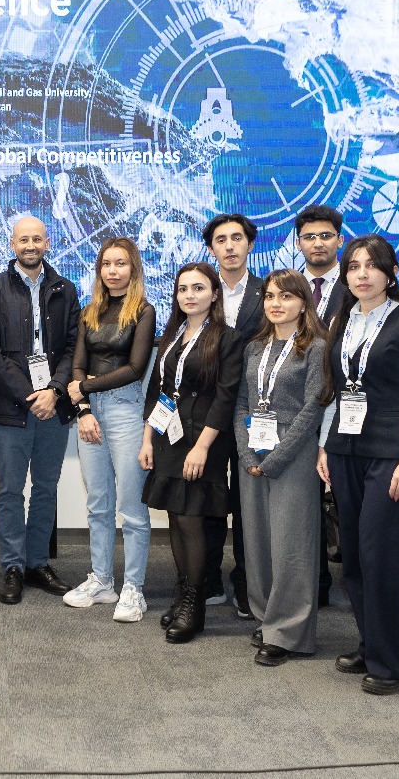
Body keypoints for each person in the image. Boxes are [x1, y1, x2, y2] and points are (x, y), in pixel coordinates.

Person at [314, 235, 399, 695]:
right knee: (353, 555)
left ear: (391, 272)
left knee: (383, 555)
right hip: (346, 449)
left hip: (394, 452)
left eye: (372, 265)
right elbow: (336, 387)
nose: (362, 274)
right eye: (353, 266)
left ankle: (396, 662)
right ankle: (372, 645)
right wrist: (326, 445)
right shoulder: (342, 320)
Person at [0, 215, 80, 604]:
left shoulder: (65, 289)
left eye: (37, 239)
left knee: (46, 489)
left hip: (54, 407)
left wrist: (54, 390)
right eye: (23, 240)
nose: (30, 245)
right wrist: (30, 395)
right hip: (12, 409)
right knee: (10, 490)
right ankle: (13, 567)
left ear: (47, 242)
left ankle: (37, 563)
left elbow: (74, 347)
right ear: (12, 244)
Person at [141, 262, 244, 643]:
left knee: (192, 519)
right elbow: (158, 390)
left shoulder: (228, 338)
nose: (189, 295)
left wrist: (202, 447)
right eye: (183, 289)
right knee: (175, 516)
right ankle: (185, 593)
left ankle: (195, 606)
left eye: (198, 288)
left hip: (204, 440)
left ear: (214, 294)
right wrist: (147, 438)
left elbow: (225, 397)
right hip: (170, 437)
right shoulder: (172, 335)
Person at [234, 270, 327, 665]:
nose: (276, 304)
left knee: (292, 542)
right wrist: (246, 454)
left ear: (304, 302)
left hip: (294, 451)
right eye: (270, 296)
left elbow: (313, 408)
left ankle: (289, 632)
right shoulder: (254, 347)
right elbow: (241, 403)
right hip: (253, 450)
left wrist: (278, 457)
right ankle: (267, 617)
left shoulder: (317, 347)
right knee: (257, 541)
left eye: (286, 296)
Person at [64, 237, 156, 621]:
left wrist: (83, 388)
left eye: (120, 263)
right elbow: (77, 364)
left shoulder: (144, 311)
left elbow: (134, 368)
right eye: (106, 264)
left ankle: (134, 588)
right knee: (98, 504)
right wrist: (84, 410)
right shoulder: (90, 312)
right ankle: (102, 580)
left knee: (131, 508)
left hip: (125, 411)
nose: (113, 271)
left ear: (133, 268)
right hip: (91, 414)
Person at [202, 213, 262, 617]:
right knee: (207, 495)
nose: (229, 246)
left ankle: (245, 581)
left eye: (236, 238)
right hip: (208, 409)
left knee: (246, 501)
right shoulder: (201, 290)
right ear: (212, 249)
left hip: (254, 410)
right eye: (221, 240)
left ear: (249, 245)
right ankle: (207, 576)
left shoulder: (268, 291)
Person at [295, 204, 346, 602]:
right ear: (299, 243)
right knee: (304, 503)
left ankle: (357, 581)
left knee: (345, 500)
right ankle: (315, 583)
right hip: (297, 409)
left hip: (348, 409)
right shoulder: (287, 289)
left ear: (339, 240)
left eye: (325, 235)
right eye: (309, 237)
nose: (317, 243)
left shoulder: (358, 283)